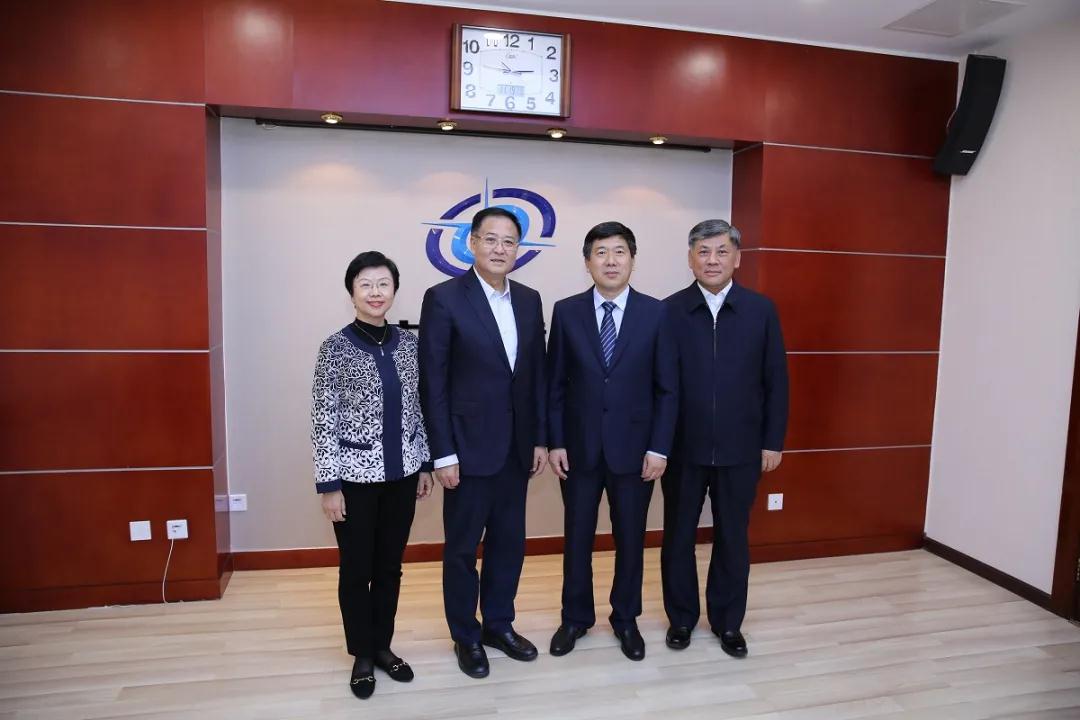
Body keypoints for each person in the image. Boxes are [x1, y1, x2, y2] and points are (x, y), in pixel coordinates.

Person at [419, 207, 548, 679]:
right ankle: (465, 635)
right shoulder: (444, 298)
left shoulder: (530, 300)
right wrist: (443, 452)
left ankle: (498, 624)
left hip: (516, 449)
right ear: (471, 243)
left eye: (508, 241)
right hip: (466, 450)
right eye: (490, 239)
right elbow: (433, 382)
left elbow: (535, 376)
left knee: (509, 544)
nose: (499, 249)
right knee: (461, 550)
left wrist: (539, 439)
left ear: (518, 250)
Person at [545, 221, 677, 661]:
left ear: (632, 260)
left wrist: (659, 447)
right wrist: (556, 441)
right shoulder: (566, 312)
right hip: (578, 450)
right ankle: (575, 618)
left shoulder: (656, 313)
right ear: (587, 263)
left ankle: (625, 619)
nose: (611, 261)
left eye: (619, 252)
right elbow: (555, 383)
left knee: (631, 540)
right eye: (601, 253)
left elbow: (667, 388)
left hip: (636, 453)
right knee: (577, 538)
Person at [660, 219, 789, 658]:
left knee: (733, 537)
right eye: (703, 251)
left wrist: (772, 441)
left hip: (741, 449)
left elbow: (776, 381)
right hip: (682, 449)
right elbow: (658, 385)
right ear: (690, 258)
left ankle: (728, 622)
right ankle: (681, 619)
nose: (712, 260)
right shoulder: (669, 311)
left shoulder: (760, 310)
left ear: (737, 258)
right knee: (678, 536)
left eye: (721, 251)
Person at [311, 251, 434, 699]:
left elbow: (419, 408)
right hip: (354, 480)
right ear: (352, 292)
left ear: (394, 290)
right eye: (366, 284)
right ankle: (361, 653)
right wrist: (329, 485)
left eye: (383, 284)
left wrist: (424, 463)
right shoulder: (335, 348)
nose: (375, 292)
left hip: (403, 475)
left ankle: (382, 645)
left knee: (389, 568)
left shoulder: (410, 345)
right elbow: (323, 419)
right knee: (356, 569)